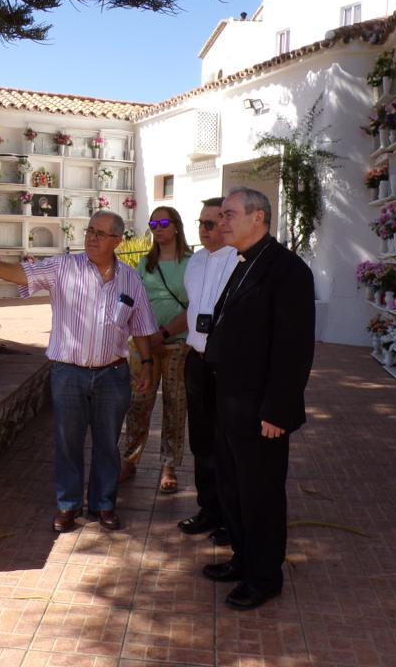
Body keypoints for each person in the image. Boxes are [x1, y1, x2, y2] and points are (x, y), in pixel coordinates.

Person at [0, 210, 158, 533]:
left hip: (113, 375)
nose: (92, 238)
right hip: (69, 373)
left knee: (107, 443)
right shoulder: (63, 268)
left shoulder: (130, 279)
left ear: (117, 241)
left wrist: (149, 365)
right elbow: (22, 274)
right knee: (68, 441)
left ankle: (104, 504)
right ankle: (68, 505)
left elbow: (140, 327)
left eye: (101, 233)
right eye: (90, 230)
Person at [201, 187, 315, 611]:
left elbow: (294, 348)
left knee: (261, 495)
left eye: (229, 214)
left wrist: (278, 410)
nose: (222, 222)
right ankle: (243, 559)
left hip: (261, 410)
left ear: (259, 218)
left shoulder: (287, 271)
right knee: (232, 487)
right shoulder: (245, 262)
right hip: (230, 400)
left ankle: (264, 577)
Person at [177, 197, 236, 544]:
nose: (203, 229)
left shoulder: (239, 261)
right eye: (200, 223)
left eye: (210, 224)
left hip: (226, 365)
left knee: (227, 442)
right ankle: (208, 509)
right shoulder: (196, 261)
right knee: (201, 441)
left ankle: (231, 517)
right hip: (196, 361)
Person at [120, 206, 191, 494]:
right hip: (144, 346)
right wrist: (146, 337)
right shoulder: (144, 264)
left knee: (175, 406)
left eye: (163, 222)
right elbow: (136, 303)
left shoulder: (192, 263)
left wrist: (165, 332)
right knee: (138, 403)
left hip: (176, 344)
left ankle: (169, 466)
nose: (157, 228)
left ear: (176, 226)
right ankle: (129, 459)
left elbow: (196, 305)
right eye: (153, 223)